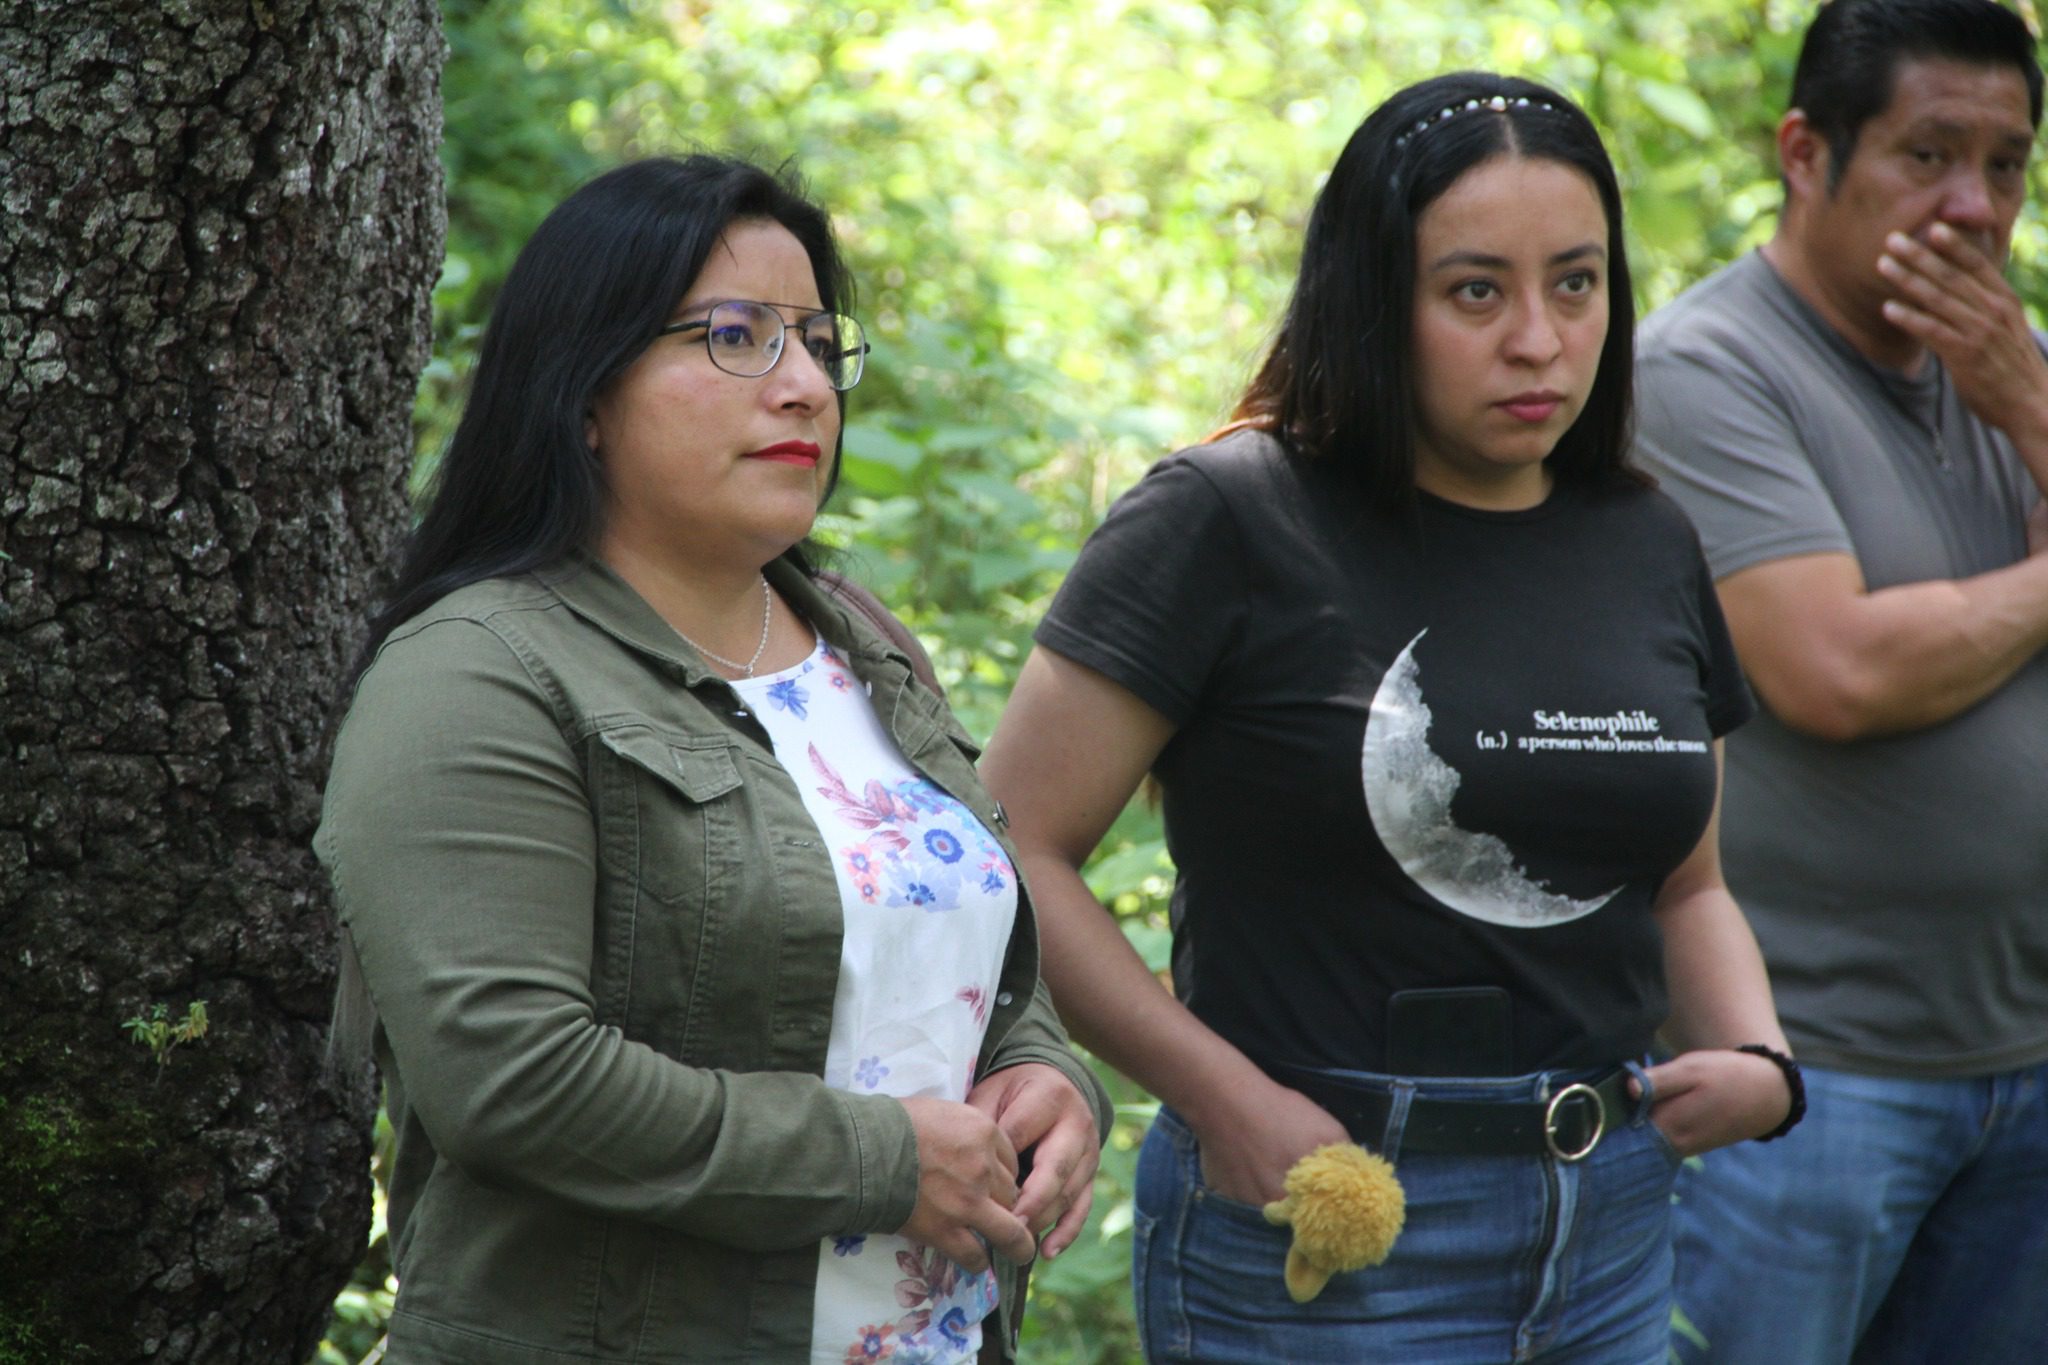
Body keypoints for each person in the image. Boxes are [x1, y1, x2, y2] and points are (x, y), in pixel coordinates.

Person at [979, 72, 1800, 1362]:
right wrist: (1221, 1100)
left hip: (1613, 1229)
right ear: (1374, 299)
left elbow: (1685, 889)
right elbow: (1012, 845)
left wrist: (1758, 1055)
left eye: (1574, 283)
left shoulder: (1645, 538)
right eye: (1475, 290)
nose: (1537, 337)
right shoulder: (1226, 518)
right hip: (1322, 1219)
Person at [316, 154, 1108, 1365]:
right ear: (583, 393)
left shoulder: (866, 648)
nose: (800, 387)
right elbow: (511, 1080)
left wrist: (1046, 1078)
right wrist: (882, 1162)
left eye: (812, 340)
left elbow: (958, 963)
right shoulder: (475, 676)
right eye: (734, 337)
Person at [1630, 0, 2048, 1359]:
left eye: (2007, 165)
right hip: (1805, 1088)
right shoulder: (1706, 372)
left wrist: (2033, 409)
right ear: (1804, 152)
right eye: (1928, 155)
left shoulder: (2012, 383)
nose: (1974, 207)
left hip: (2021, 1065)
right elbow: (1836, 668)